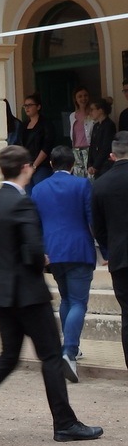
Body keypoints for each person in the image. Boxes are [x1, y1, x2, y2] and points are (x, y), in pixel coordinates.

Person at [0, 145, 102, 444]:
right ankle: (65, 423)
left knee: (7, 357)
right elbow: (31, 251)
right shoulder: (22, 203)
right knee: (52, 356)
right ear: (26, 168)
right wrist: (41, 258)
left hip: (0, 291)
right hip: (28, 294)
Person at [30, 146, 95, 382]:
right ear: (72, 165)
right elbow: (92, 219)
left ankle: (70, 347)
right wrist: (103, 248)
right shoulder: (82, 184)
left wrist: (42, 251)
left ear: (51, 164)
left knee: (67, 299)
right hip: (79, 249)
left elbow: (35, 224)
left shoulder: (39, 188)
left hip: (54, 251)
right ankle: (69, 352)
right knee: (78, 301)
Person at [91, 131, 128, 371]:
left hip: (120, 256)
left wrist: (109, 249)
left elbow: (98, 227)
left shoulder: (101, 184)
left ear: (112, 155)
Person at [21, 93, 54, 192]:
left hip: (41, 165)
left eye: (30, 105)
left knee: (41, 192)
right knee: (28, 194)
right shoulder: (24, 125)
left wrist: (35, 165)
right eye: (25, 106)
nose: (27, 108)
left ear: (38, 107)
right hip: (26, 165)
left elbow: (47, 146)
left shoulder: (46, 124)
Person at [87, 98, 116, 179]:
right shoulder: (96, 126)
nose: (90, 112)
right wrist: (89, 164)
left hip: (105, 165)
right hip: (95, 165)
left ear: (100, 110)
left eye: (92, 110)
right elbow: (92, 146)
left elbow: (106, 147)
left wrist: (95, 166)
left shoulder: (109, 125)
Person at [68, 86, 93, 177]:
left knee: (90, 177)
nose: (83, 98)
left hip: (89, 149)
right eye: (80, 96)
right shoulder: (72, 116)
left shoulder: (93, 113)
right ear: (75, 99)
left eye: (85, 95)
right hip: (76, 151)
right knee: (78, 177)